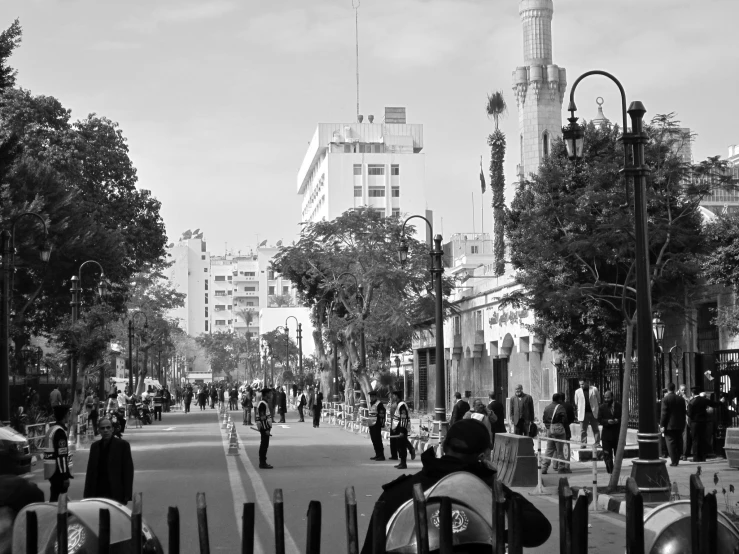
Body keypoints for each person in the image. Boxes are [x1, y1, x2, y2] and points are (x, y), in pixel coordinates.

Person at [359, 419, 551, 554]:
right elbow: (539, 530)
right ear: (484, 455)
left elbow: (371, 548)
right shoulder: (491, 494)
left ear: (444, 446)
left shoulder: (397, 492)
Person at [83, 417, 134, 505]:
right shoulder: (94, 447)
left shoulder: (123, 445)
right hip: (97, 491)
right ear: (99, 430)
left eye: (108, 427)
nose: (105, 430)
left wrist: (127, 494)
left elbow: (128, 471)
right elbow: (90, 471)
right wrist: (87, 495)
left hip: (116, 492)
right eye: (102, 428)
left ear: (112, 429)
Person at [45, 405, 73, 502]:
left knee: (56, 497)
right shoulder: (60, 432)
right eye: (69, 414)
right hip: (58, 472)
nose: (69, 416)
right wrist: (65, 476)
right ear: (65, 415)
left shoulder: (52, 429)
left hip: (52, 471)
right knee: (59, 499)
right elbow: (61, 456)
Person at [660, 382, 686, 467]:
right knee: (678, 441)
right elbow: (683, 412)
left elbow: (664, 413)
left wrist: (662, 425)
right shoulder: (681, 399)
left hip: (669, 425)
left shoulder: (665, 399)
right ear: (675, 389)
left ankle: (674, 460)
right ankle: (677, 458)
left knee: (671, 443)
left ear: (667, 389)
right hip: (679, 424)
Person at [541, 393, 568, 474]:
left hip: (549, 430)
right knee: (560, 450)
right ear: (559, 399)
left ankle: (544, 468)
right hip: (558, 431)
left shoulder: (547, 407)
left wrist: (549, 427)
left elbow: (544, 419)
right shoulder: (560, 407)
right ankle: (561, 468)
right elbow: (565, 419)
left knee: (549, 450)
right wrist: (562, 427)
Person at [598, 390, 621, 474]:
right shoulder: (602, 407)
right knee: (607, 456)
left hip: (617, 435)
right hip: (606, 436)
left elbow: (624, 418)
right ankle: (610, 472)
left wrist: (617, 420)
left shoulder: (619, 406)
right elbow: (599, 419)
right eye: (605, 397)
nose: (606, 399)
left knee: (618, 456)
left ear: (612, 397)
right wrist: (607, 421)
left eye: (608, 398)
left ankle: (616, 471)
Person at [391, 390, 415, 469]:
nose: (392, 397)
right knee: (400, 444)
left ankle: (403, 463)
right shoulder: (399, 404)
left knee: (401, 445)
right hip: (398, 426)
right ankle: (403, 460)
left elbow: (403, 418)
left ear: (397, 396)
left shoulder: (402, 405)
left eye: (394, 395)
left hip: (402, 427)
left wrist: (401, 431)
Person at [574, 378, 601, 448]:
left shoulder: (594, 389)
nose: (581, 386)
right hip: (583, 413)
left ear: (586, 383)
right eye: (580, 384)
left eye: (582, 384)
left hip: (593, 412)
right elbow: (576, 402)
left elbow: (599, 399)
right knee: (583, 430)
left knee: (595, 429)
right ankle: (583, 443)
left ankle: (597, 443)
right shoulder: (577, 392)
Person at [688, 387, 712, 462]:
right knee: (702, 439)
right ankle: (703, 457)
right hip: (703, 422)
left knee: (695, 440)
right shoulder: (704, 401)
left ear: (692, 393)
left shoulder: (692, 401)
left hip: (695, 422)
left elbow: (689, 413)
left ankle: (696, 457)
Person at [256, 389, 273, 469]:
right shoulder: (262, 404)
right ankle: (262, 463)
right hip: (264, 427)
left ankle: (263, 462)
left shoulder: (264, 403)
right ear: (266, 394)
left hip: (265, 427)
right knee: (264, 445)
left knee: (265, 445)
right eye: (269, 394)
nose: (271, 395)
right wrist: (266, 429)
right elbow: (263, 417)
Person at [368, 390, 386, 461]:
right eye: (370, 397)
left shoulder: (379, 404)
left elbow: (382, 414)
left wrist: (381, 423)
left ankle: (381, 455)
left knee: (378, 440)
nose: (371, 398)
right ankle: (377, 454)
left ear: (375, 397)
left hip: (377, 424)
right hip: (371, 424)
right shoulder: (371, 403)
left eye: (372, 397)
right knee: (374, 440)